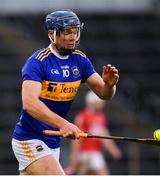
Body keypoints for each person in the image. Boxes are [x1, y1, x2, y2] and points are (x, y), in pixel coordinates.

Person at [11, 10, 119, 175]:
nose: (72, 37)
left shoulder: (80, 60)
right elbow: (29, 103)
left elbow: (104, 94)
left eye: (75, 32)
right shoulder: (38, 62)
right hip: (30, 139)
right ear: (51, 34)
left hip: (53, 142)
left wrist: (110, 85)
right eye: (66, 32)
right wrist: (63, 124)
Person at [69, 91, 122, 175]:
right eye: (100, 102)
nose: (102, 104)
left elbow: (104, 134)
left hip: (96, 153)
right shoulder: (82, 116)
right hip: (84, 154)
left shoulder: (100, 116)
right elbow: (76, 138)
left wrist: (112, 149)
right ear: (93, 102)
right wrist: (74, 156)